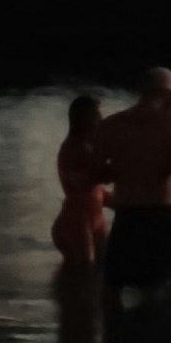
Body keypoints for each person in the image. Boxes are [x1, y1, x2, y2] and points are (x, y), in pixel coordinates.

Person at [89, 69, 171, 293]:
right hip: (159, 215)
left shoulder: (111, 124)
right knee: (155, 293)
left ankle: (111, 328)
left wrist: (124, 167)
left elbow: (93, 175)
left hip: (125, 216)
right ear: (168, 94)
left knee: (112, 291)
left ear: (140, 90)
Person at [53, 95, 110, 267]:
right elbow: (99, 175)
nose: (101, 119)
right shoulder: (76, 147)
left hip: (95, 217)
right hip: (76, 221)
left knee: (103, 267)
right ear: (83, 119)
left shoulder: (90, 145)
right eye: (96, 116)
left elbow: (96, 188)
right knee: (86, 269)